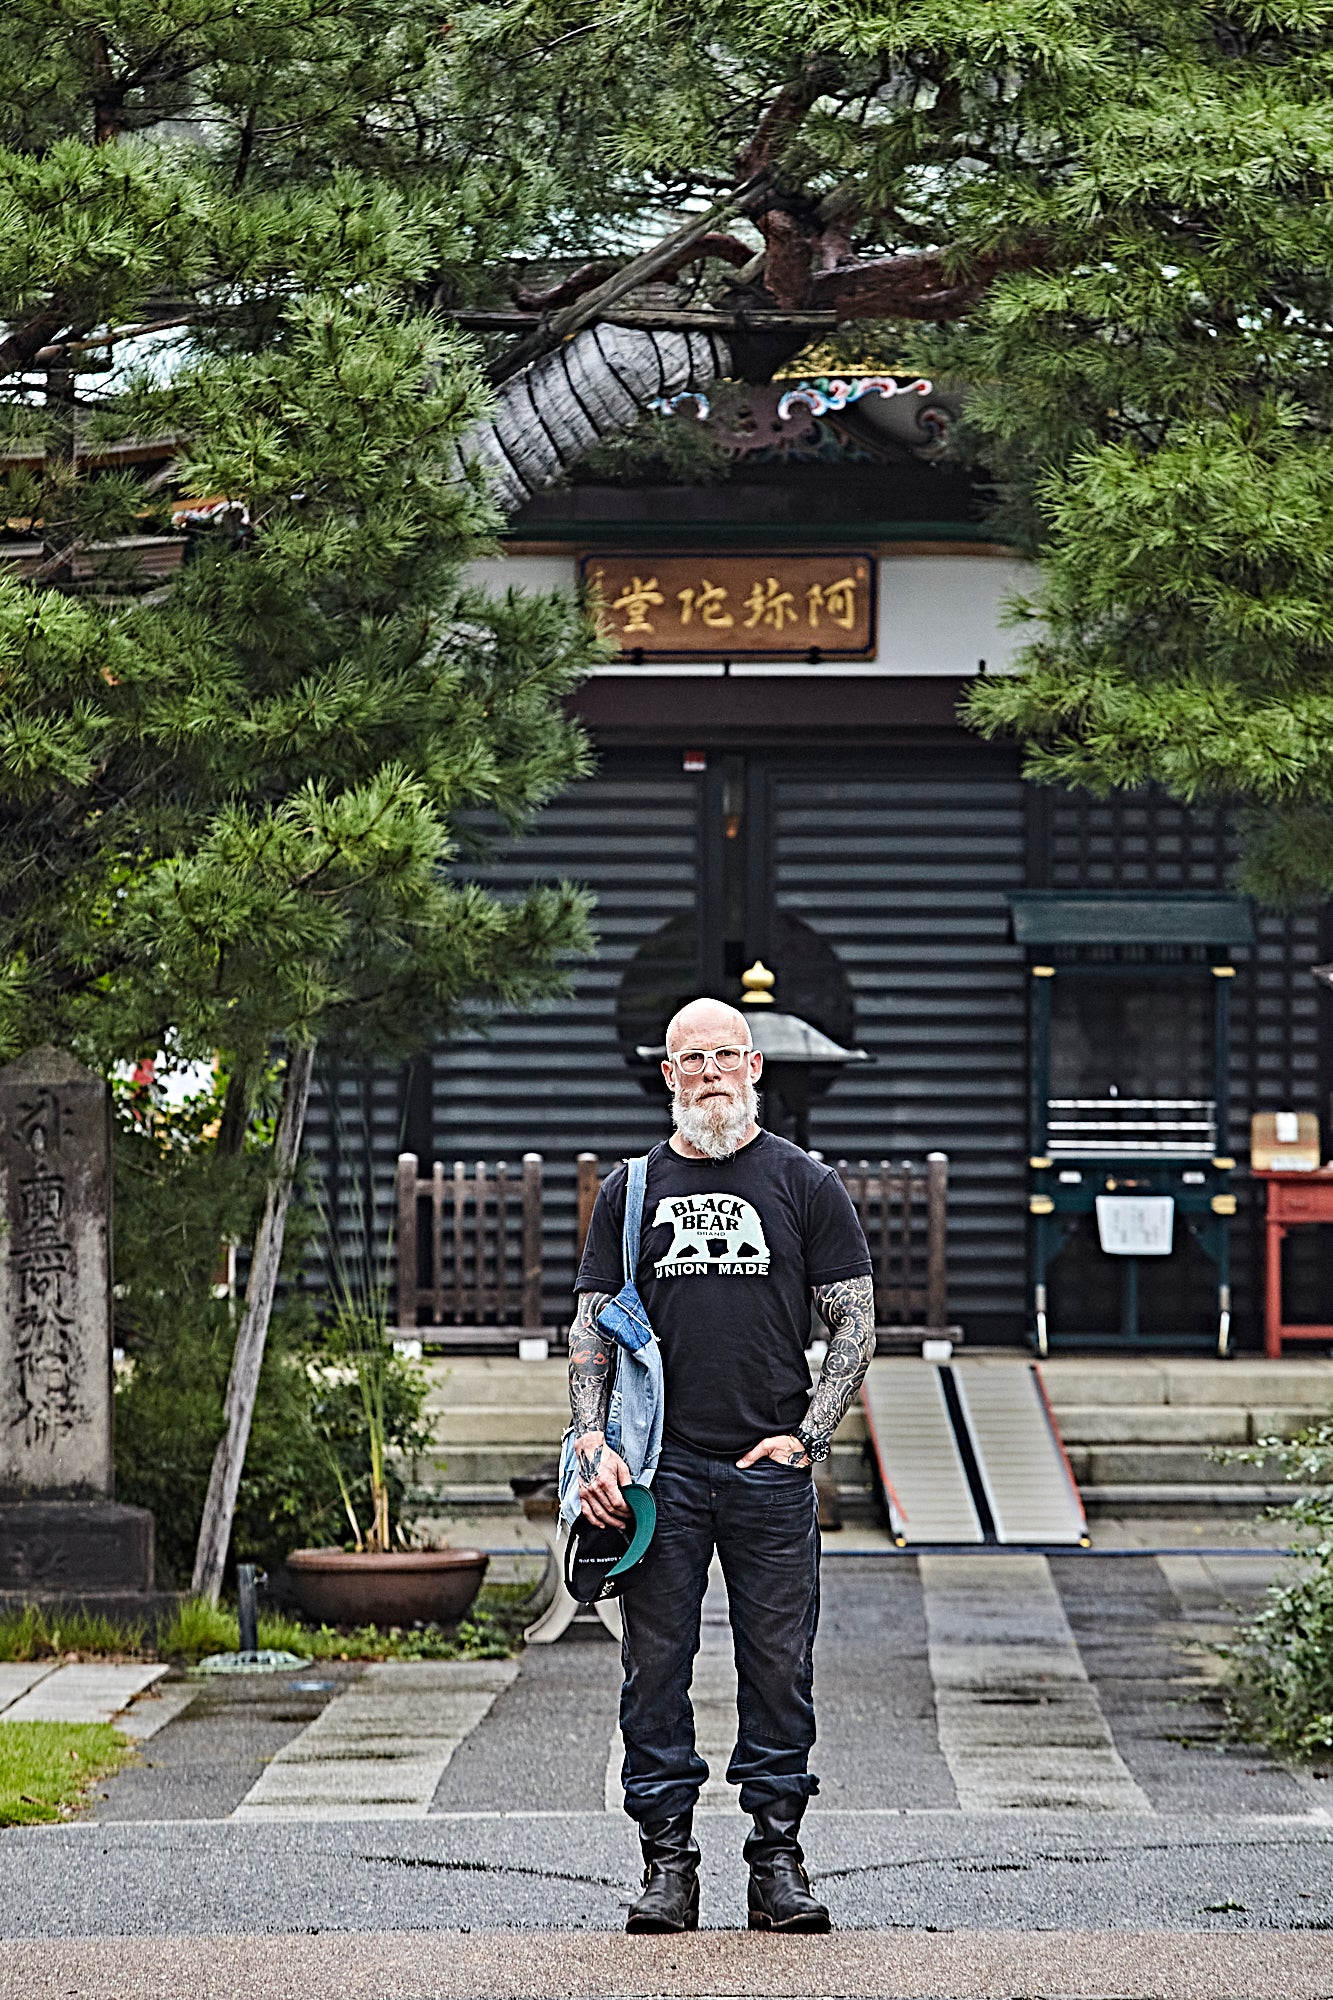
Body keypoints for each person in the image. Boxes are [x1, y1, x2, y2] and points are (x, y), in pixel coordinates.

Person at [570, 995, 876, 1934]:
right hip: (658, 1476)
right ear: (667, 1077)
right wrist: (590, 1439)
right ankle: (666, 1863)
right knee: (652, 1669)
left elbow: (854, 1322)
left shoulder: (806, 1184)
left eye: (723, 1056)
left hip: (767, 1472)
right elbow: (590, 1329)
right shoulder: (628, 1191)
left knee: (778, 1666)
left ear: (753, 1068)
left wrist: (810, 1437)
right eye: (689, 1059)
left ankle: (776, 1861)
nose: (708, 1072)